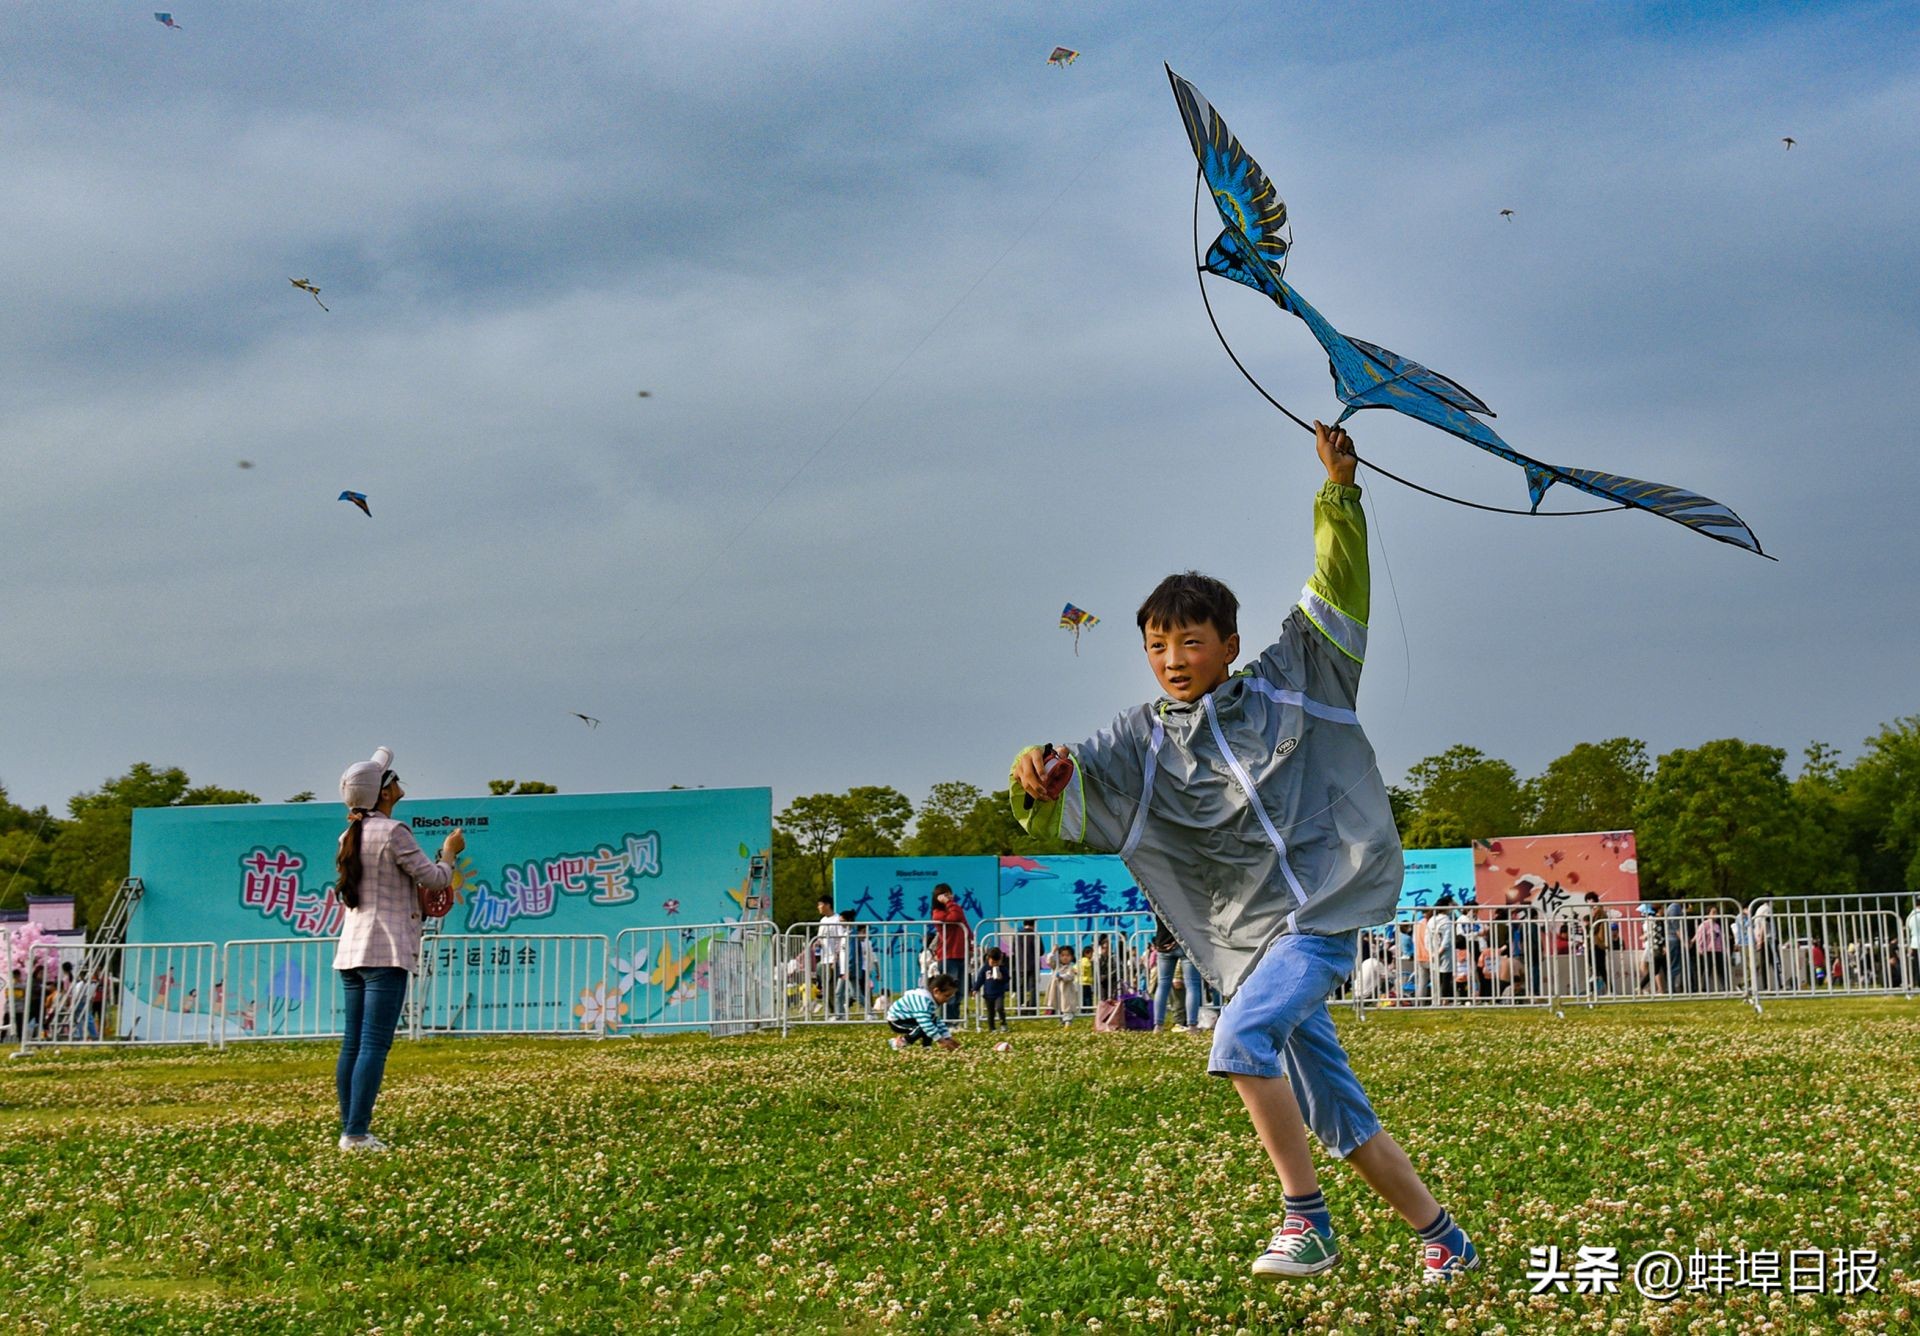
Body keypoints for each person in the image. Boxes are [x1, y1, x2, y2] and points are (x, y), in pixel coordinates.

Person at [1010, 422, 1477, 1284]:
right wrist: (1036, 774)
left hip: (1320, 914)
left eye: (1191, 642)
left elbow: (1337, 593)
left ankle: (1308, 1222)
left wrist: (1338, 492)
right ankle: (1444, 1237)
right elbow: (1066, 787)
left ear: (1228, 643)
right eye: (1156, 646)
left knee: (1239, 1038)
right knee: (1340, 1115)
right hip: (1248, 942)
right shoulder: (1140, 741)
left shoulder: (1292, 678)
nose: (1173, 660)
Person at [333, 747, 461, 1152]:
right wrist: (450, 853)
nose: (399, 783)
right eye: (393, 779)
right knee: (374, 1044)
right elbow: (435, 879)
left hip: (352, 949)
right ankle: (356, 1133)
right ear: (385, 793)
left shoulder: (348, 834)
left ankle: (349, 1126)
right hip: (386, 950)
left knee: (353, 1042)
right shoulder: (393, 832)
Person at [928, 884, 971, 1021]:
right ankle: (948, 1022)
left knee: (959, 992)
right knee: (948, 992)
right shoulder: (937, 913)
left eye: (950, 894)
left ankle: (955, 1020)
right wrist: (949, 903)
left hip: (961, 954)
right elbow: (955, 918)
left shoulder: (954, 907)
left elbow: (962, 921)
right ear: (938, 897)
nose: (949, 897)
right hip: (948, 956)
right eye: (945, 895)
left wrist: (970, 942)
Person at [886, 974, 961, 1050]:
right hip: (897, 1020)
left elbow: (937, 1021)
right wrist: (941, 1041)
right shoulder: (923, 1001)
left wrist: (947, 1037)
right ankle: (899, 1042)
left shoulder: (930, 1001)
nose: (948, 1000)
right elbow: (925, 1024)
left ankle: (926, 1047)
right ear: (936, 991)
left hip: (910, 1018)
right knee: (925, 1026)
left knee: (931, 1021)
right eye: (946, 996)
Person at [815, 895, 847, 1019]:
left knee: (833, 987)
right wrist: (817, 943)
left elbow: (840, 939)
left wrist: (837, 957)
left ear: (828, 905)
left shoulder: (837, 919)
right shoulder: (822, 921)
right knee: (825, 987)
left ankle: (838, 1013)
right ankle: (831, 1012)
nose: (819, 907)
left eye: (820, 904)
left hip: (834, 959)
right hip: (824, 958)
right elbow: (820, 937)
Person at [974, 946, 1011, 1031]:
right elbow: (980, 979)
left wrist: (1002, 978)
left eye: (997, 962)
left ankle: (1003, 1024)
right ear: (988, 958)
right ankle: (992, 1028)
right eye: (992, 962)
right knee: (990, 1012)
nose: (994, 964)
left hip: (999, 993)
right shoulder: (985, 968)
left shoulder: (1002, 968)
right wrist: (975, 988)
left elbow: (1007, 978)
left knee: (1000, 1008)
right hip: (988, 994)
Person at [1011, 919, 1043, 1016]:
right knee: (1033, 988)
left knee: (1020, 987)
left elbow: (1013, 949)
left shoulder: (1017, 935)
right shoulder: (1035, 935)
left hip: (1020, 964)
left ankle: (1020, 1008)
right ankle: (1033, 1009)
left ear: (1024, 924)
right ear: (1033, 925)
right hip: (1033, 965)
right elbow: (1041, 951)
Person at [1046, 944, 1079, 1025]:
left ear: (1072, 957)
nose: (1065, 957)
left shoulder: (1071, 967)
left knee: (1066, 1006)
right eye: (1062, 955)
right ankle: (1062, 1020)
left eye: (1068, 955)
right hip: (1056, 989)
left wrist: (1061, 976)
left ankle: (1068, 1021)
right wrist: (1053, 952)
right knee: (1058, 1005)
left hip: (1066, 990)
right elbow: (1049, 961)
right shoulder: (1056, 965)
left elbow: (1070, 976)